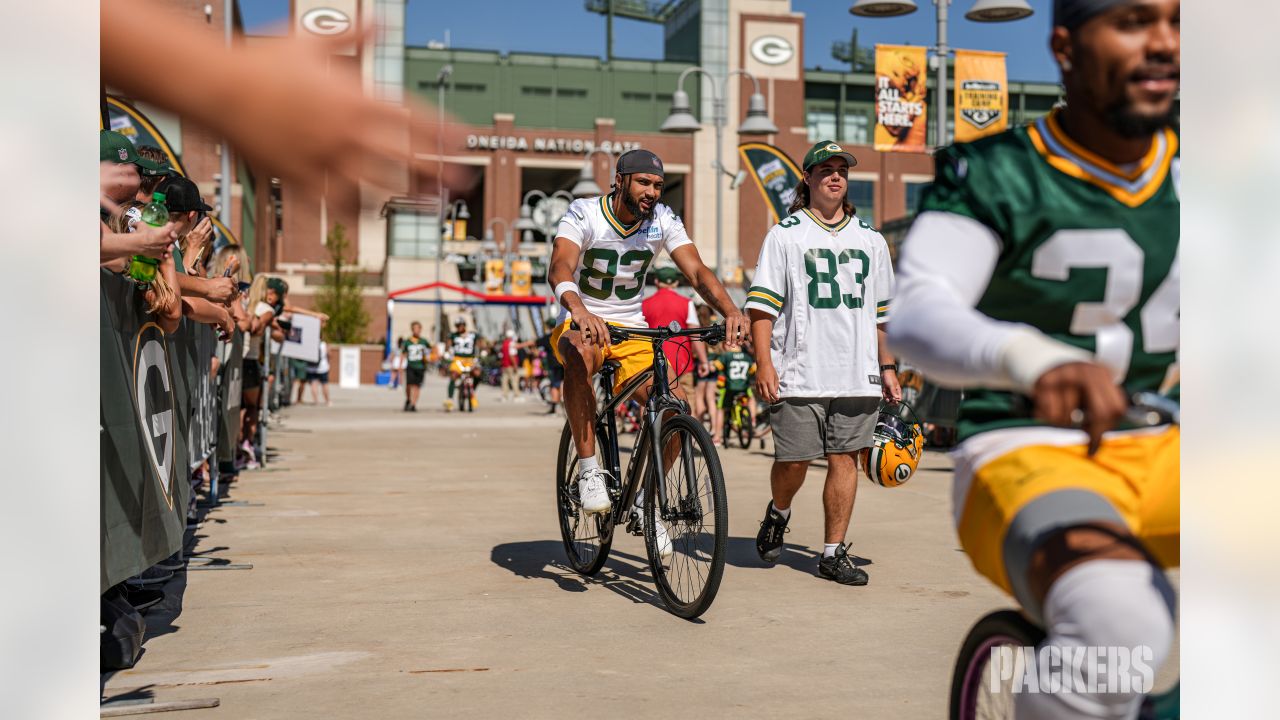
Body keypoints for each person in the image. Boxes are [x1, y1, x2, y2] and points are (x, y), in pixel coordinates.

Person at [887, 1, 1179, 715]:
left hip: (1166, 442)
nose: (1165, 43)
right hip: (1029, 451)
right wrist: (1033, 360)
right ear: (1065, 46)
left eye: (1176, 22)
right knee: (1118, 626)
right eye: (1136, 21)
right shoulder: (996, 171)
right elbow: (918, 311)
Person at [547, 148, 749, 533]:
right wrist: (578, 309)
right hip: (583, 321)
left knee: (676, 408)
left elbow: (697, 272)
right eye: (643, 182)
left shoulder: (662, 219)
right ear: (620, 180)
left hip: (631, 329)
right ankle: (590, 470)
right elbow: (560, 266)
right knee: (578, 352)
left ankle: (645, 500)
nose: (652, 191)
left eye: (657, 185)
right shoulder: (584, 212)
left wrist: (731, 311)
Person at [748, 140, 901, 586]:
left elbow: (882, 315)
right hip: (799, 372)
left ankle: (833, 552)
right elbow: (762, 308)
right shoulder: (785, 234)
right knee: (794, 462)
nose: (835, 176)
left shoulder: (871, 241)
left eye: (842, 170)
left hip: (858, 374)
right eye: (826, 170)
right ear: (808, 179)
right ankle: (779, 512)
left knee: (845, 460)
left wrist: (887, 367)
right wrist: (764, 363)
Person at [641, 265, 710, 404]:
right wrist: (704, 361)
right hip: (682, 362)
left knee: (650, 402)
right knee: (686, 403)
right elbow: (694, 334)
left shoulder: (644, 304)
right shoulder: (687, 303)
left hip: (652, 362)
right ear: (676, 282)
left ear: (656, 282)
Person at [714, 346, 757, 441]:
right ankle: (752, 420)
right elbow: (753, 369)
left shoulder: (726, 355)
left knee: (720, 409)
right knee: (751, 398)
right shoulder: (747, 356)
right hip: (744, 387)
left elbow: (717, 366)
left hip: (729, 388)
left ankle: (717, 436)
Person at [692, 305, 721, 435]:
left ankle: (700, 427)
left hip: (701, 365)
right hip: (714, 365)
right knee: (710, 398)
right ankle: (714, 428)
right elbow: (719, 349)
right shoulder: (713, 329)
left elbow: (695, 352)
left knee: (699, 397)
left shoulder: (698, 330)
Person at [446, 318, 481, 410]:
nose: (459, 328)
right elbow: (448, 345)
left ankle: (472, 392)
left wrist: (481, 352)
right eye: (457, 326)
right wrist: (448, 352)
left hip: (469, 358)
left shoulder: (473, 335)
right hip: (458, 358)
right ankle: (450, 399)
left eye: (460, 325)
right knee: (453, 375)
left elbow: (479, 344)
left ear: (464, 325)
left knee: (477, 374)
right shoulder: (453, 335)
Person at [535, 318, 564, 415]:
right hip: (564, 363)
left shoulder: (548, 337)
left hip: (553, 365)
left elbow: (535, 343)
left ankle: (554, 408)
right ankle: (562, 405)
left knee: (554, 386)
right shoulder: (562, 334)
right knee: (562, 384)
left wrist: (519, 345)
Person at [402, 322, 429, 412]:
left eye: (418, 328)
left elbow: (432, 349)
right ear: (412, 330)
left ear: (420, 329)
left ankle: (413, 404)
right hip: (411, 365)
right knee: (409, 385)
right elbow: (404, 354)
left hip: (420, 366)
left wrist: (431, 357)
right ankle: (409, 399)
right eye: (414, 328)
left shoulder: (424, 341)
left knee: (417, 386)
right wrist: (400, 366)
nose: (416, 330)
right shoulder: (408, 341)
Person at [306, 341, 332, 406]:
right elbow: (329, 355)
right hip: (322, 367)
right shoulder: (324, 344)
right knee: (324, 384)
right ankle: (327, 401)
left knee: (313, 384)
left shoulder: (310, 344)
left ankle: (316, 401)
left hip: (311, 367)